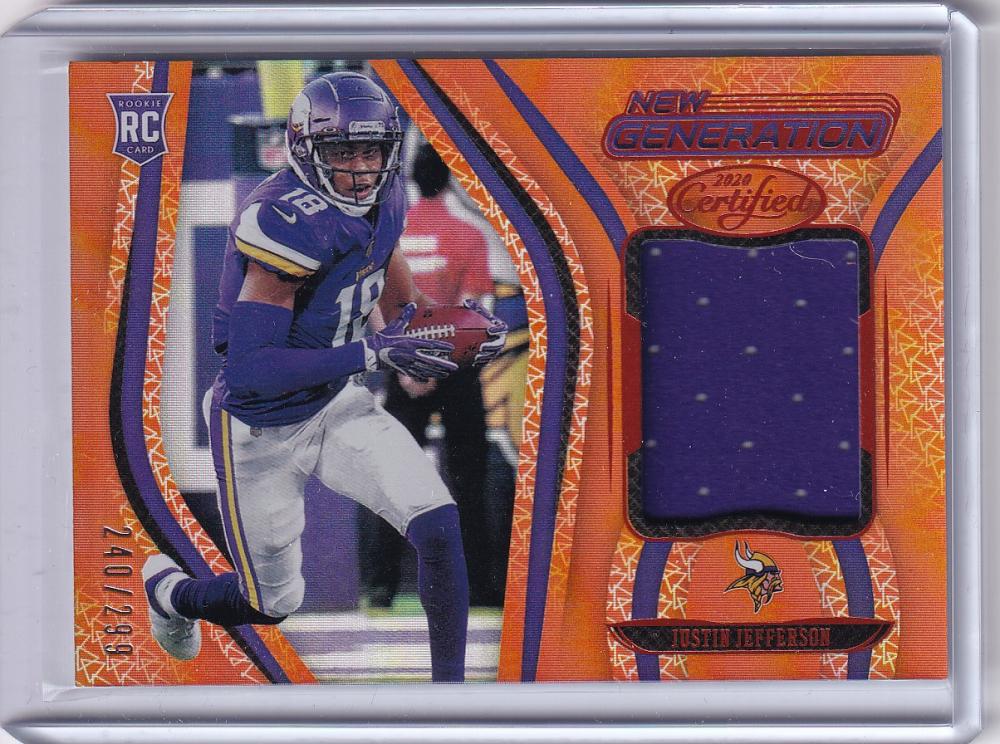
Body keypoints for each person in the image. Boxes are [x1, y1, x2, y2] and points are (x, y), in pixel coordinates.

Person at [141, 71, 507, 683]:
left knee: (437, 524)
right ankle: (172, 594)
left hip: (336, 404)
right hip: (258, 423)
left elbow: (395, 292)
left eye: (372, 151)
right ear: (305, 150)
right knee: (269, 604)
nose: (361, 168)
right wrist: (376, 352)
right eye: (344, 152)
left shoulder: (386, 198)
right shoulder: (283, 218)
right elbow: (253, 369)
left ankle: (451, 702)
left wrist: (450, 332)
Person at [363, 143, 497, 608]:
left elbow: (376, 307)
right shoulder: (468, 234)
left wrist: (407, 363)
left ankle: (381, 586)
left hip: (404, 368)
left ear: (412, 179)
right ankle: (480, 587)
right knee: (468, 478)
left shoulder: (391, 237)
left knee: (395, 478)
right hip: (454, 370)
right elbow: (473, 311)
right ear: (451, 180)